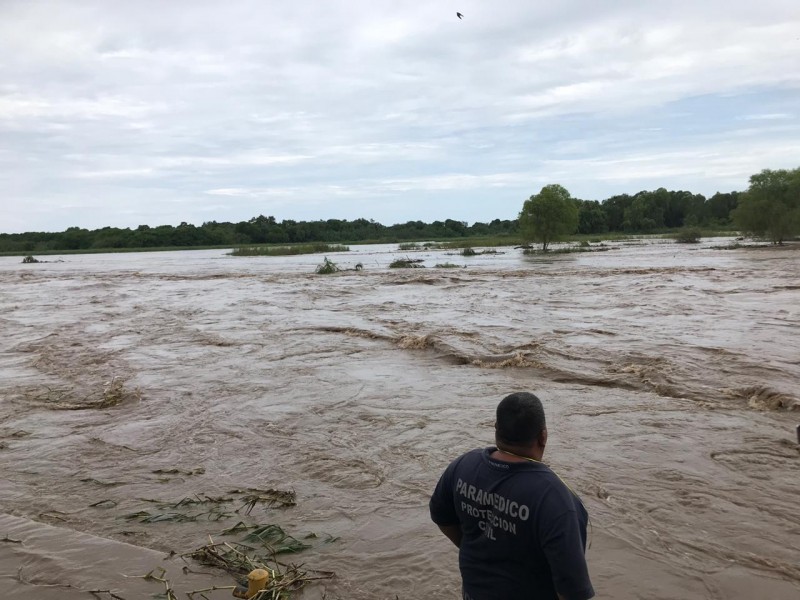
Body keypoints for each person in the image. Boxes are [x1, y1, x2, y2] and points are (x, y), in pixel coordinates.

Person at [429, 392, 594, 600]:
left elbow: (441, 515)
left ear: (496, 429)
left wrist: (476, 549)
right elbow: (573, 591)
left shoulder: (464, 466)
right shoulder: (556, 499)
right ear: (543, 437)